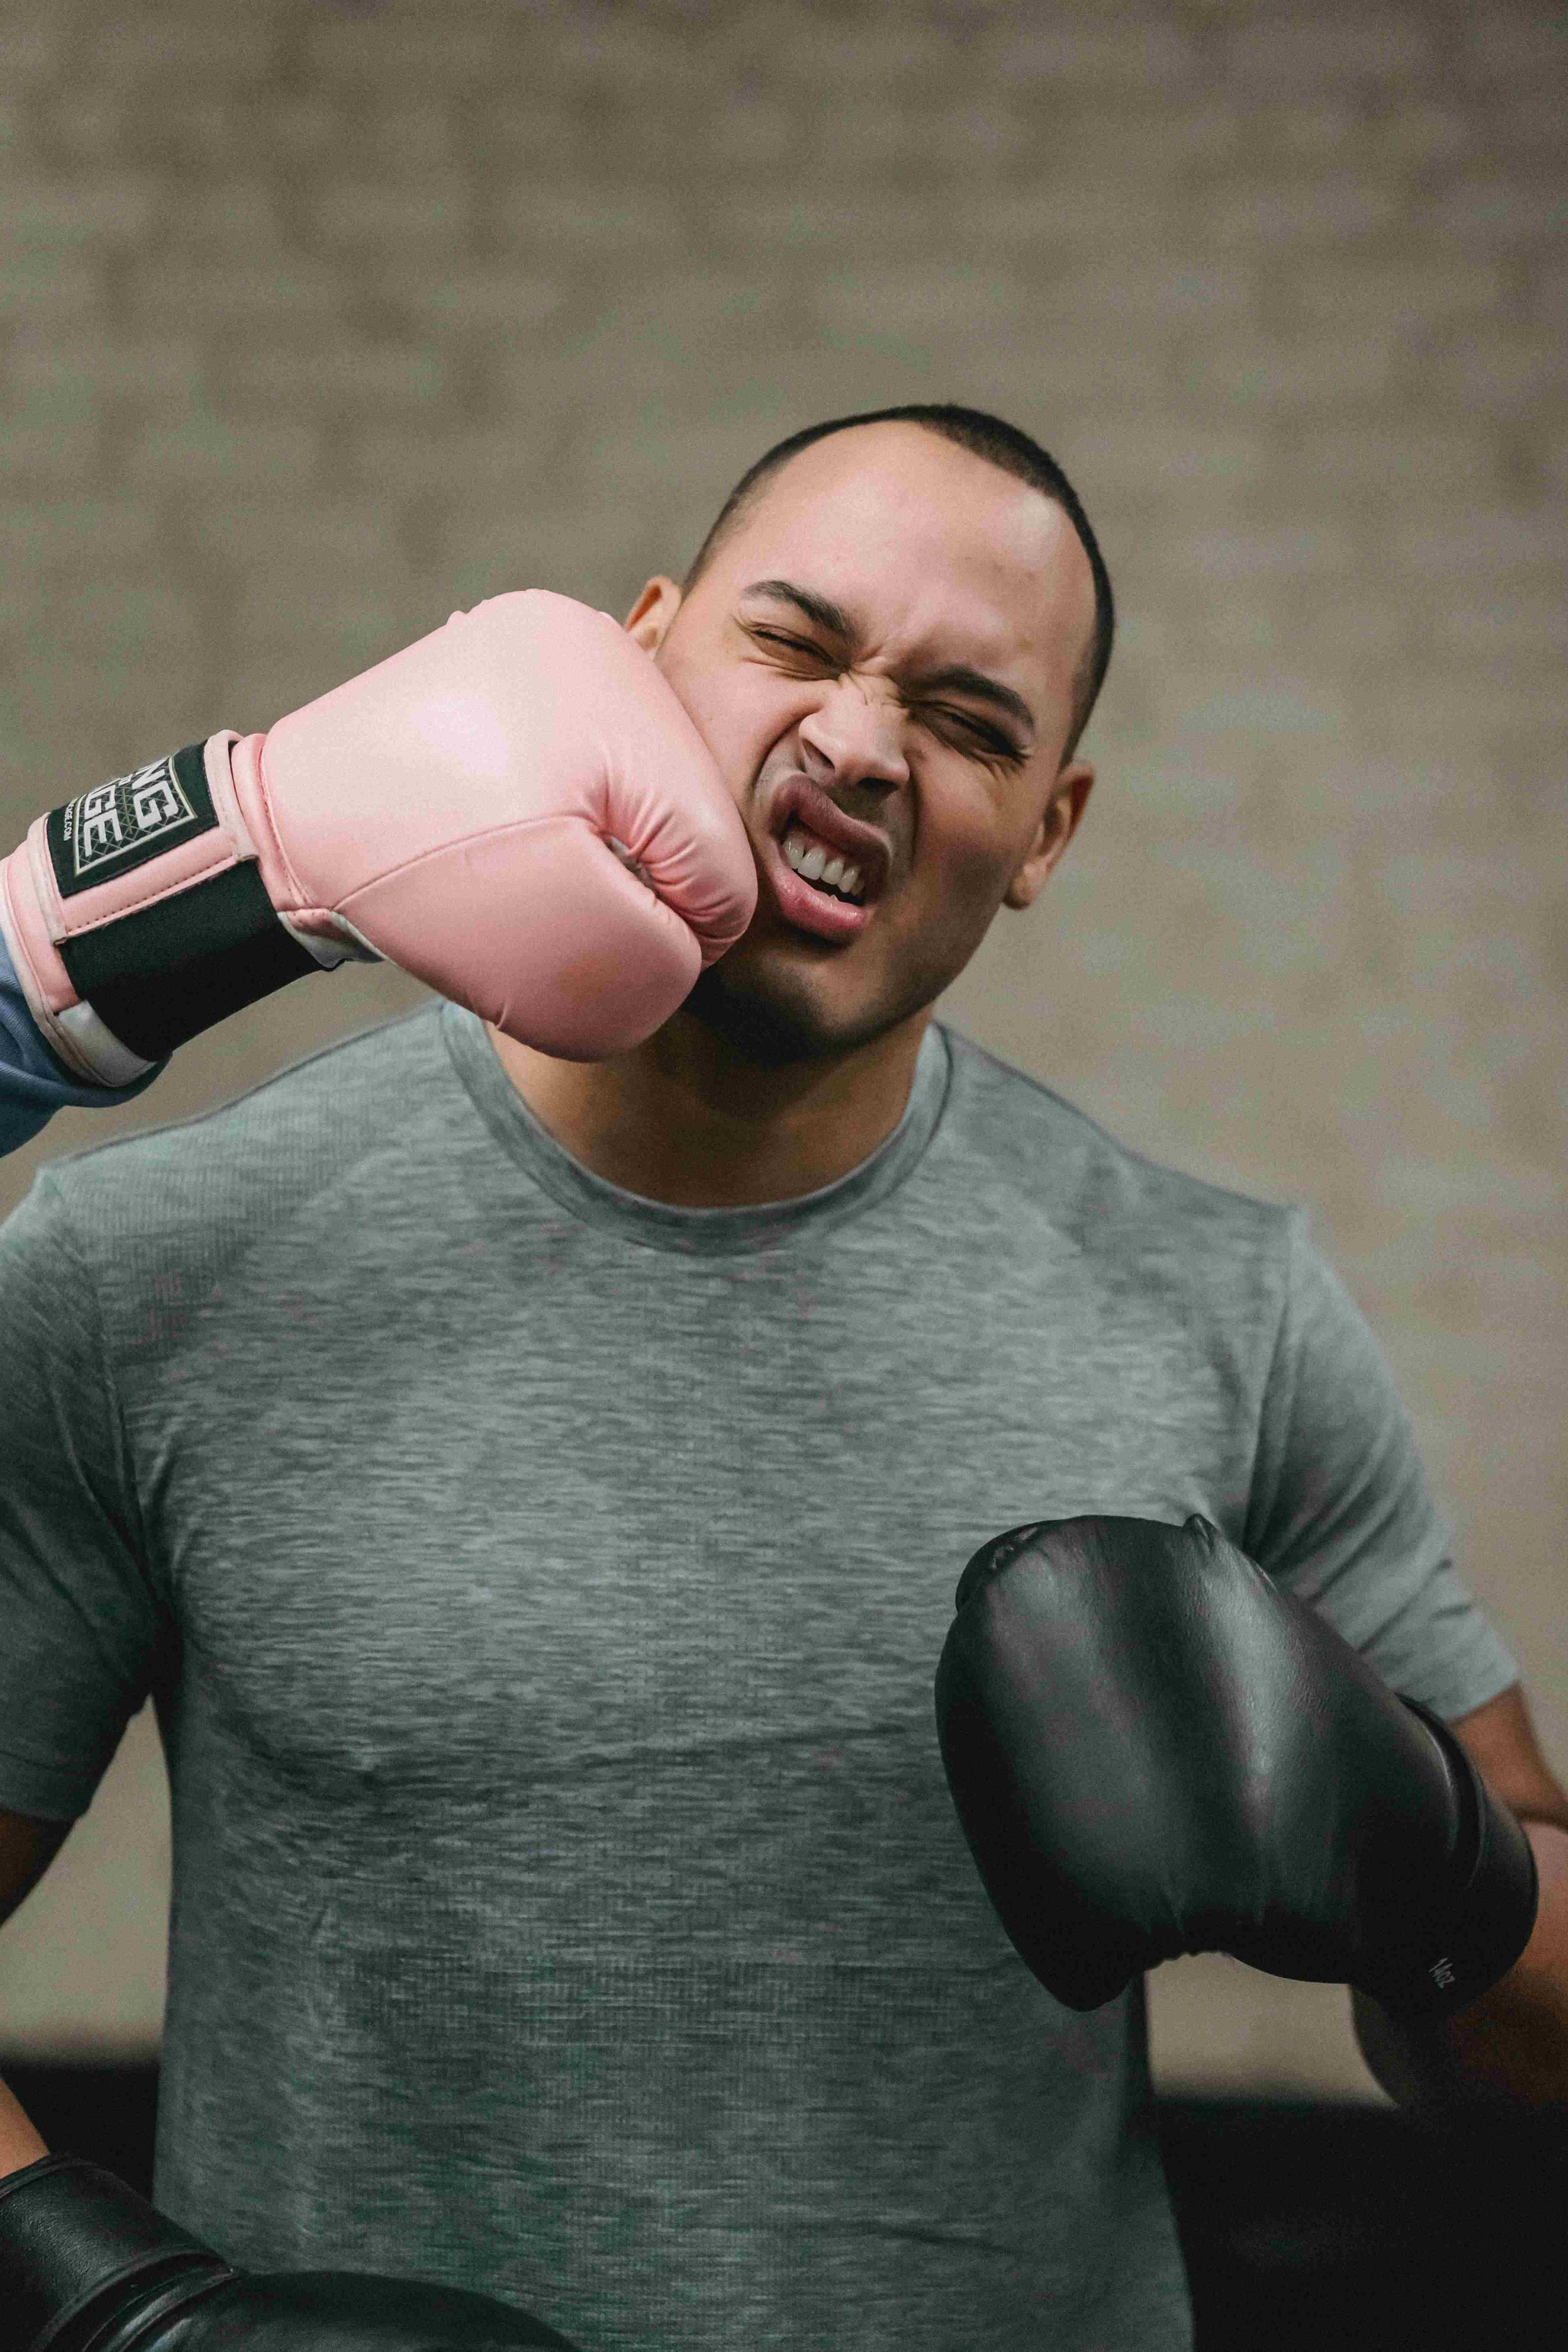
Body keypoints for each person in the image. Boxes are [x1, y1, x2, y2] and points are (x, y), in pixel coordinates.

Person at [0, 404, 1563, 2352]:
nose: (858, 742)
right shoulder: (151, 1264)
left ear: (1047, 838)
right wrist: (98, 2311)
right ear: (639, 646)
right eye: (796, 643)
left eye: (973, 723)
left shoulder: (1223, 1308)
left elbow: (1531, 2065)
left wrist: (1441, 1876)